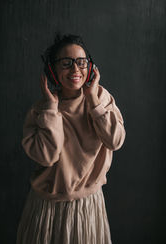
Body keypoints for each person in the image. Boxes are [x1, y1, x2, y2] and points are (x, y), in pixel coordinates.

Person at [16, 33, 126, 244]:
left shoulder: (102, 99)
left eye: (81, 62)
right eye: (66, 63)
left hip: (88, 206)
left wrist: (93, 100)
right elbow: (46, 157)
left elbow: (115, 140)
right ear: (52, 70)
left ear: (91, 68)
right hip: (47, 209)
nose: (76, 70)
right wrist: (50, 108)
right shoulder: (40, 110)